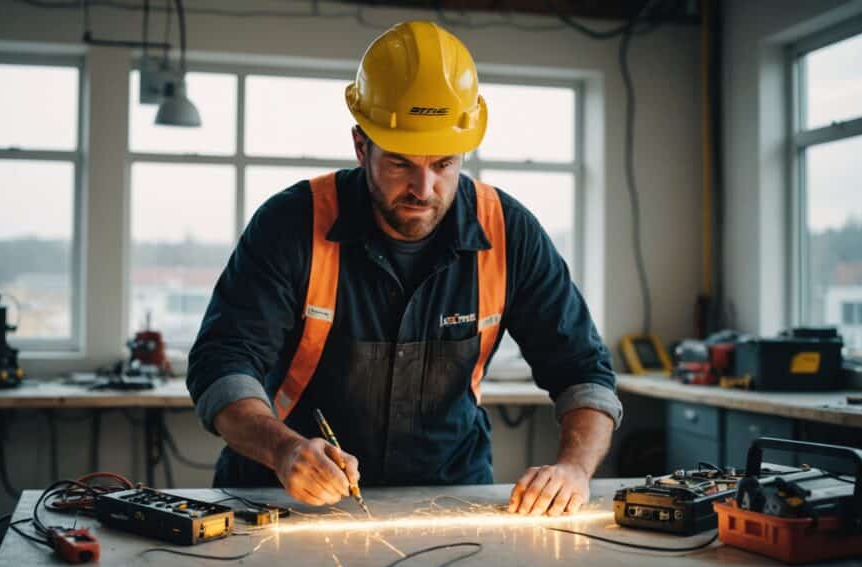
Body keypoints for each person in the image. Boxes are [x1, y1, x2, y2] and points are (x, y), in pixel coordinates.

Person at [188, 20, 622, 516]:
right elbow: (223, 365)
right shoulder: (291, 224)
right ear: (360, 146)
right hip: (283, 499)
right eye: (399, 163)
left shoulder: (508, 232)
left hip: (450, 499)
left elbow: (585, 373)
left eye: (443, 164)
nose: (424, 188)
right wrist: (284, 450)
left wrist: (574, 470)